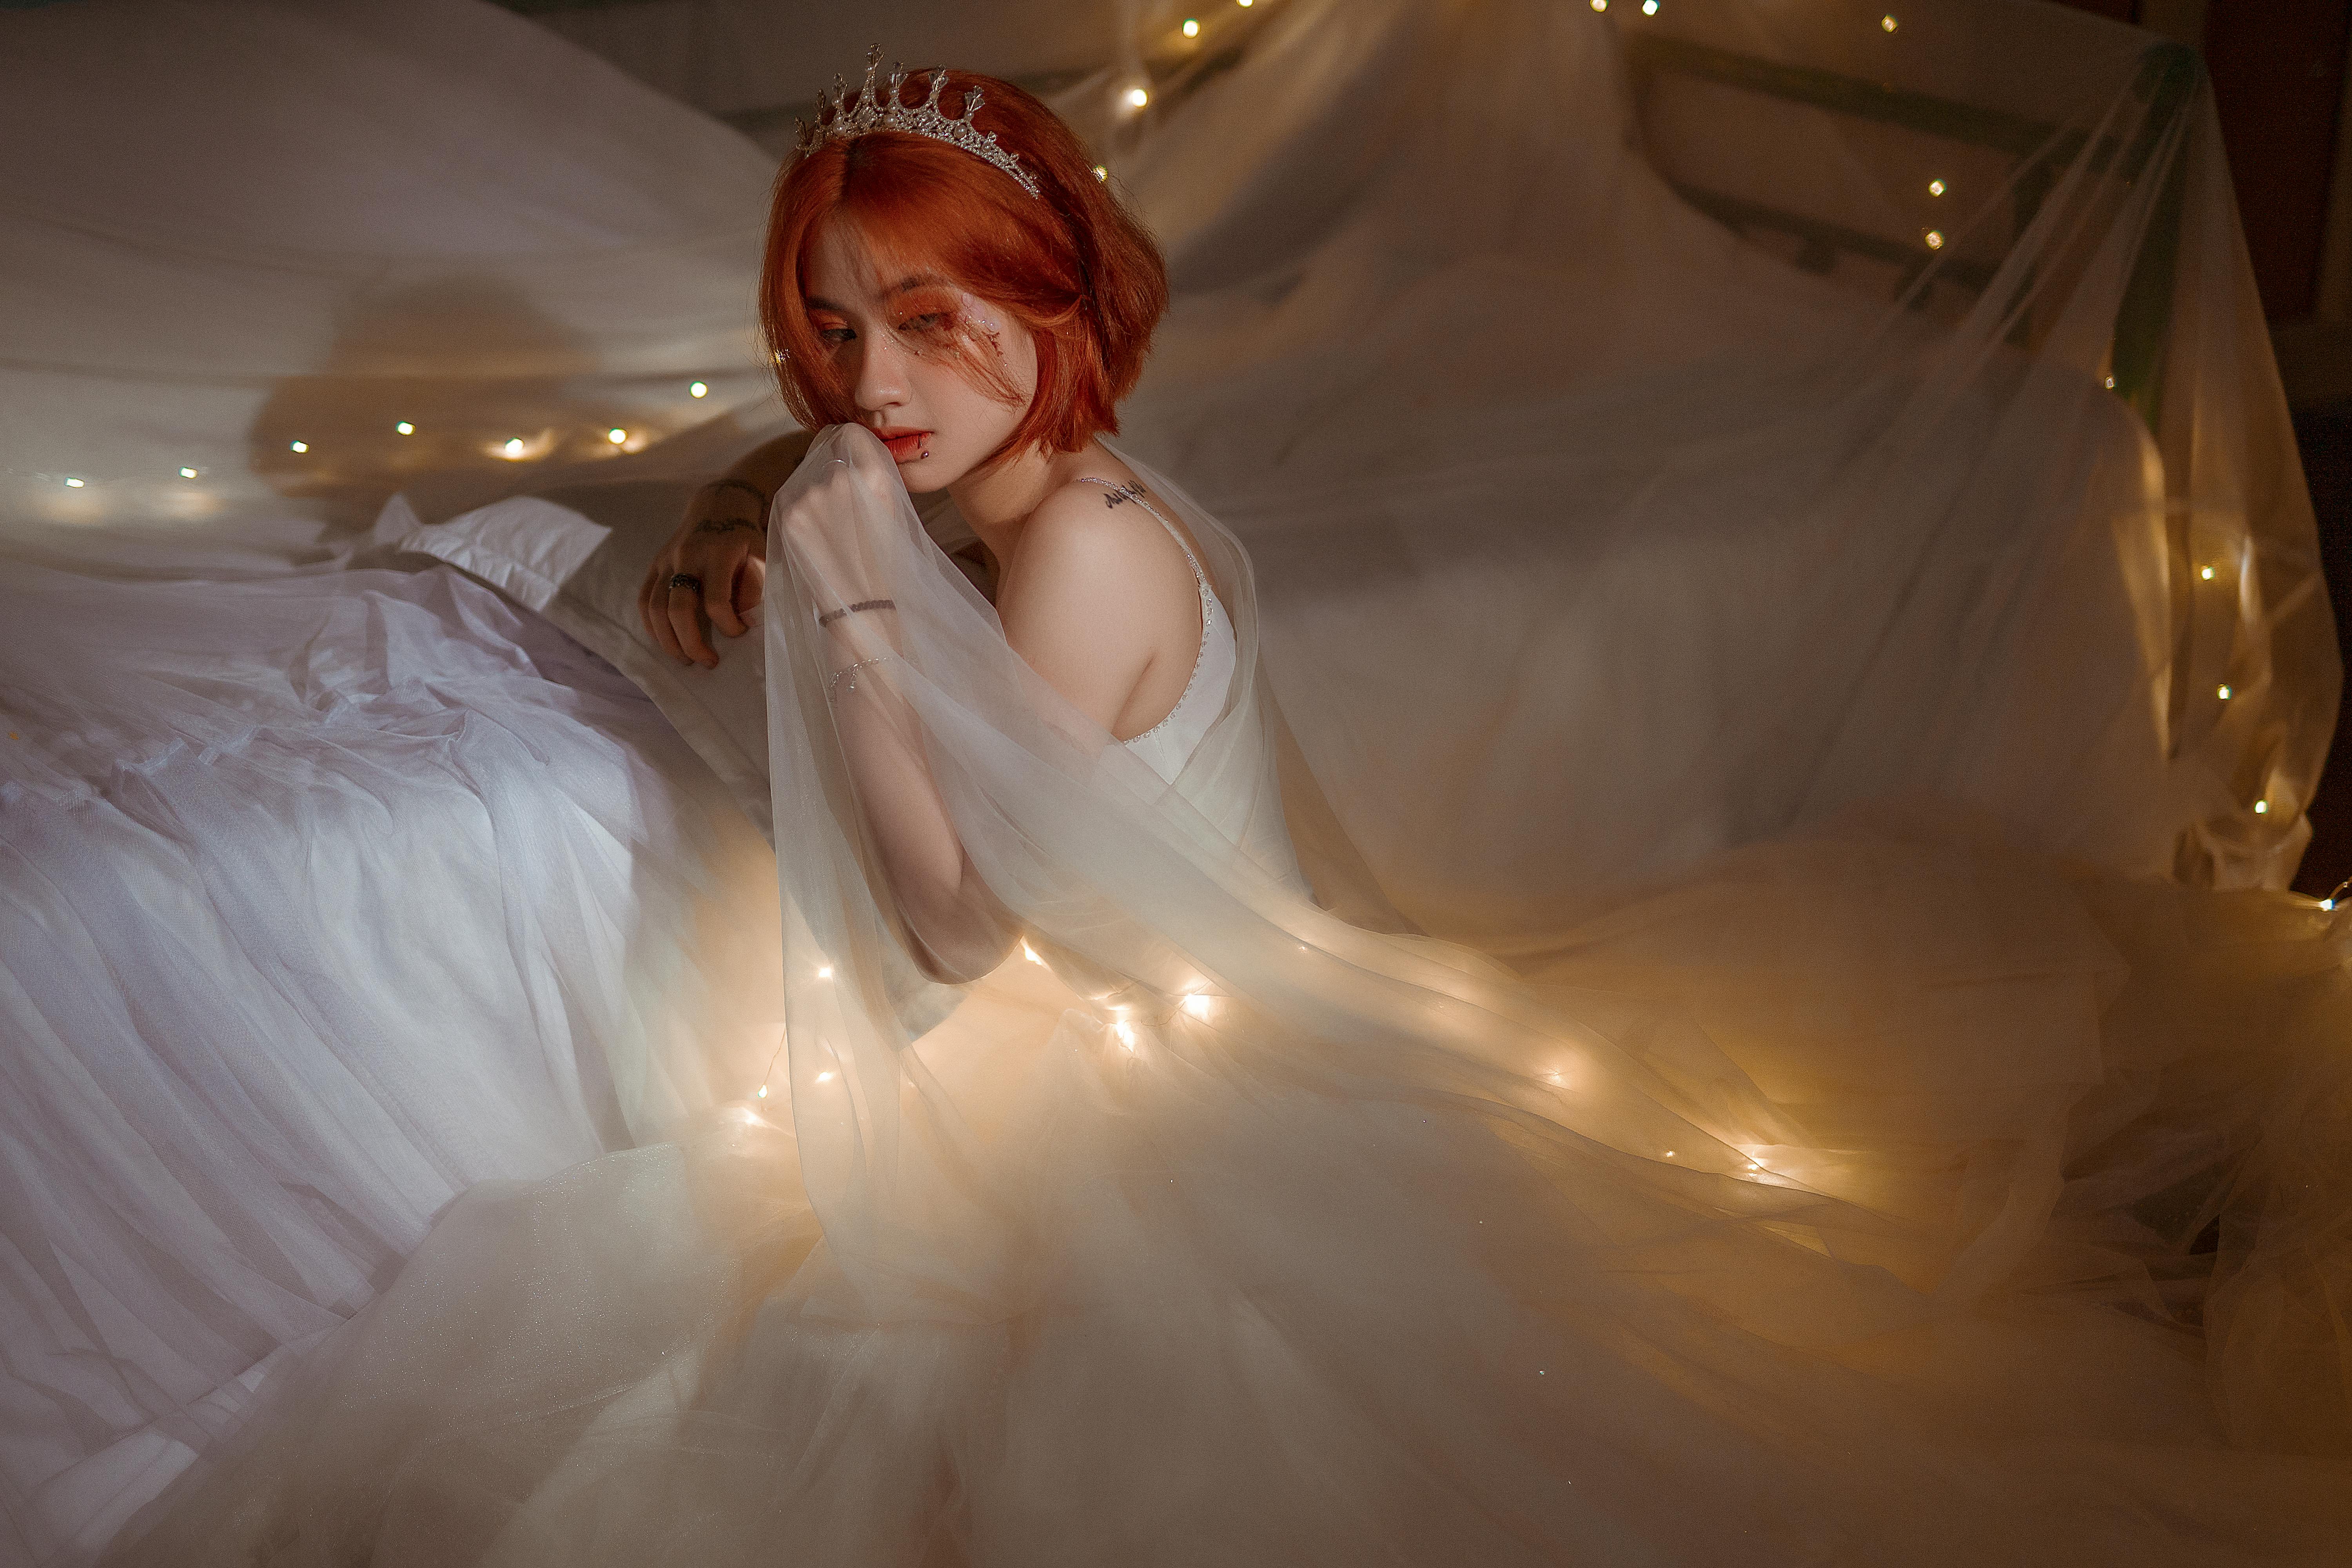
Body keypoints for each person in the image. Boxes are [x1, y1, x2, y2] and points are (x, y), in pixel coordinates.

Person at [100, 56, 2352, 1568]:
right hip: (1063, 1058)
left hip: (1165, 1089)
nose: (865, 380)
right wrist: (740, 511)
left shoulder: (1082, 545)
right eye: (826, 328)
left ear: (1038, 307)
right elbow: (808, 480)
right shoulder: (948, 470)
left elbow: (970, 933)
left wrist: (855, 622)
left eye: (922, 320)